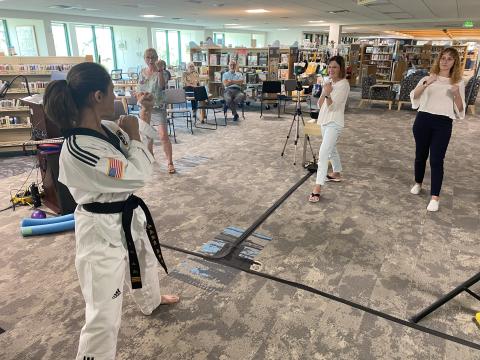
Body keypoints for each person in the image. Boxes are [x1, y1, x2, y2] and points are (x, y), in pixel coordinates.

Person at [43, 62, 179, 360]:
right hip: (100, 229)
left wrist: (142, 114)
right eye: (112, 90)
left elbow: (130, 141)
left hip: (127, 213)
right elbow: (139, 172)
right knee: (103, 311)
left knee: (144, 260)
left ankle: (151, 301)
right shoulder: (80, 148)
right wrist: (135, 133)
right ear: (97, 96)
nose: (116, 96)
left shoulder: (104, 128)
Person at [409, 47, 465, 212]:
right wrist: (427, 83)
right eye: (443, 58)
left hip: (443, 123)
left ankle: (435, 197)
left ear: (455, 62)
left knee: (436, 160)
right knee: (420, 156)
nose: (445, 61)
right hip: (423, 120)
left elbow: (460, 109)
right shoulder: (428, 77)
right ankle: (418, 183)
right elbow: (414, 95)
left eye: (449, 59)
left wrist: (456, 94)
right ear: (438, 59)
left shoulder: (458, 82)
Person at [309, 56, 350, 203]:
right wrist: (324, 91)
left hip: (335, 121)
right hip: (324, 120)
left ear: (341, 69)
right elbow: (321, 105)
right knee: (331, 148)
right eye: (330, 67)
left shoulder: (344, 85)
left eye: (335, 67)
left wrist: (328, 92)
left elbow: (333, 107)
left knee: (324, 153)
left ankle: (317, 187)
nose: (331, 70)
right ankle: (337, 172)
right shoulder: (329, 83)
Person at [137, 48, 176, 174]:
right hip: (145, 108)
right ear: (144, 58)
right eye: (148, 57)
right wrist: (140, 96)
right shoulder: (142, 73)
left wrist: (159, 71)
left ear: (157, 57)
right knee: (148, 137)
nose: (150, 60)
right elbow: (139, 89)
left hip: (159, 107)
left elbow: (162, 86)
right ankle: (150, 160)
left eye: (153, 57)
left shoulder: (162, 72)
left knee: (163, 136)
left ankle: (170, 162)